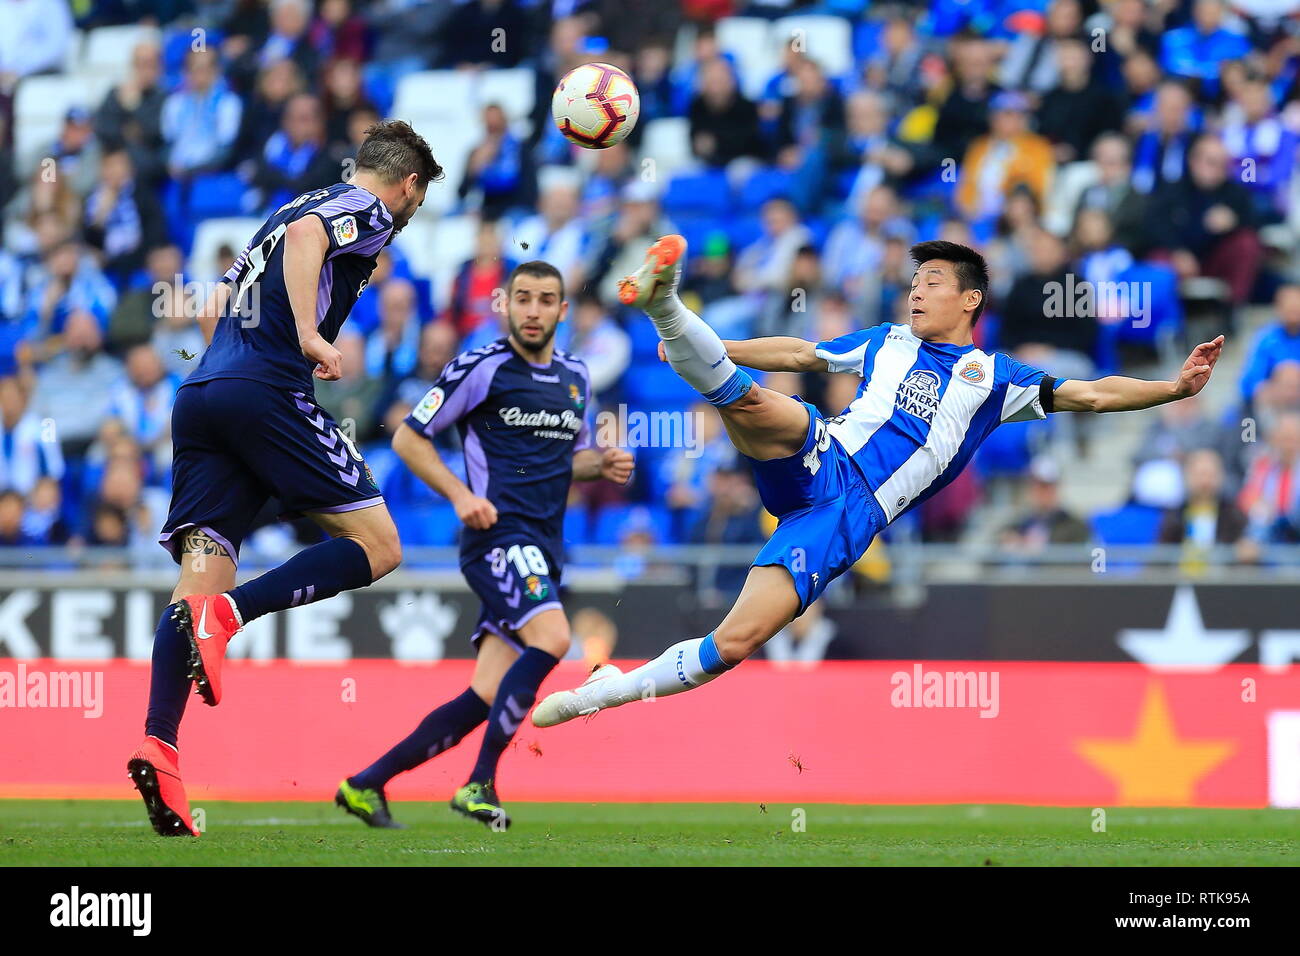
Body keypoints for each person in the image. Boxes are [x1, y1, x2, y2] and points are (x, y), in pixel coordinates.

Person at [531, 236, 1225, 730]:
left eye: (933, 283)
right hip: (827, 453)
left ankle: (605, 692)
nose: (917, 291)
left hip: (848, 517)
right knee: (747, 401)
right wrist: (719, 346)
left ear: (969, 300)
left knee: (733, 645)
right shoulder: (886, 340)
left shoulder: (994, 377)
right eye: (914, 282)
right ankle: (667, 310)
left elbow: (1094, 394)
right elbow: (802, 351)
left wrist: (1171, 386)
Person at [127, 121, 443, 838]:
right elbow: (310, 245)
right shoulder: (366, 209)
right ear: (409, 184)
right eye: (418, 199)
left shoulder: (285, 207)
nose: (409, 214)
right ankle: (231, 617)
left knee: (199, 578)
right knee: (380, 544)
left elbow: (224, 297)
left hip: (203, 394)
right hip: (266, 391)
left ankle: (160, 744)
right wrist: (307, 333)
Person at [335, 260, 633, 830]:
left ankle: (365, 784)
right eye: (523, 298)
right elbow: (407, 437)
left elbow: (566, 462)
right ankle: (480, 784)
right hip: (494, 535)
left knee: (484, 693)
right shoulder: (481, 367)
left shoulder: (576, 377)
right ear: (506, 306)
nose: (533, 310)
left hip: (545, 545)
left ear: (562, 312)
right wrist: (458, 495)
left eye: (546, 300)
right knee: (553, 637)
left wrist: (603, 463)